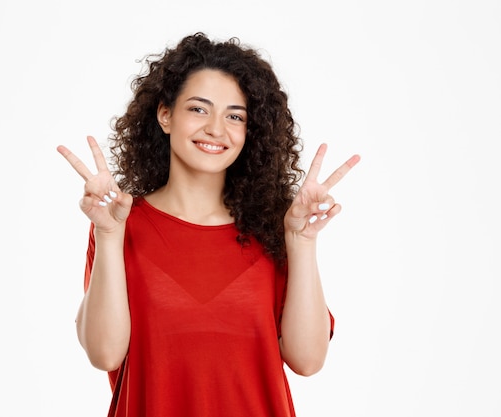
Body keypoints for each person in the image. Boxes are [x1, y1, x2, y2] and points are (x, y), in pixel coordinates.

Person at [57, 32, 360, 417]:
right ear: (165, 115)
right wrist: (108, 234)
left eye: (235, 116)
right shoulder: (119, 224)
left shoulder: (276, 229)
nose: (217, 129)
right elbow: (104, 353)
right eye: (199, 109)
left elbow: (308, 360)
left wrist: (301, 242)